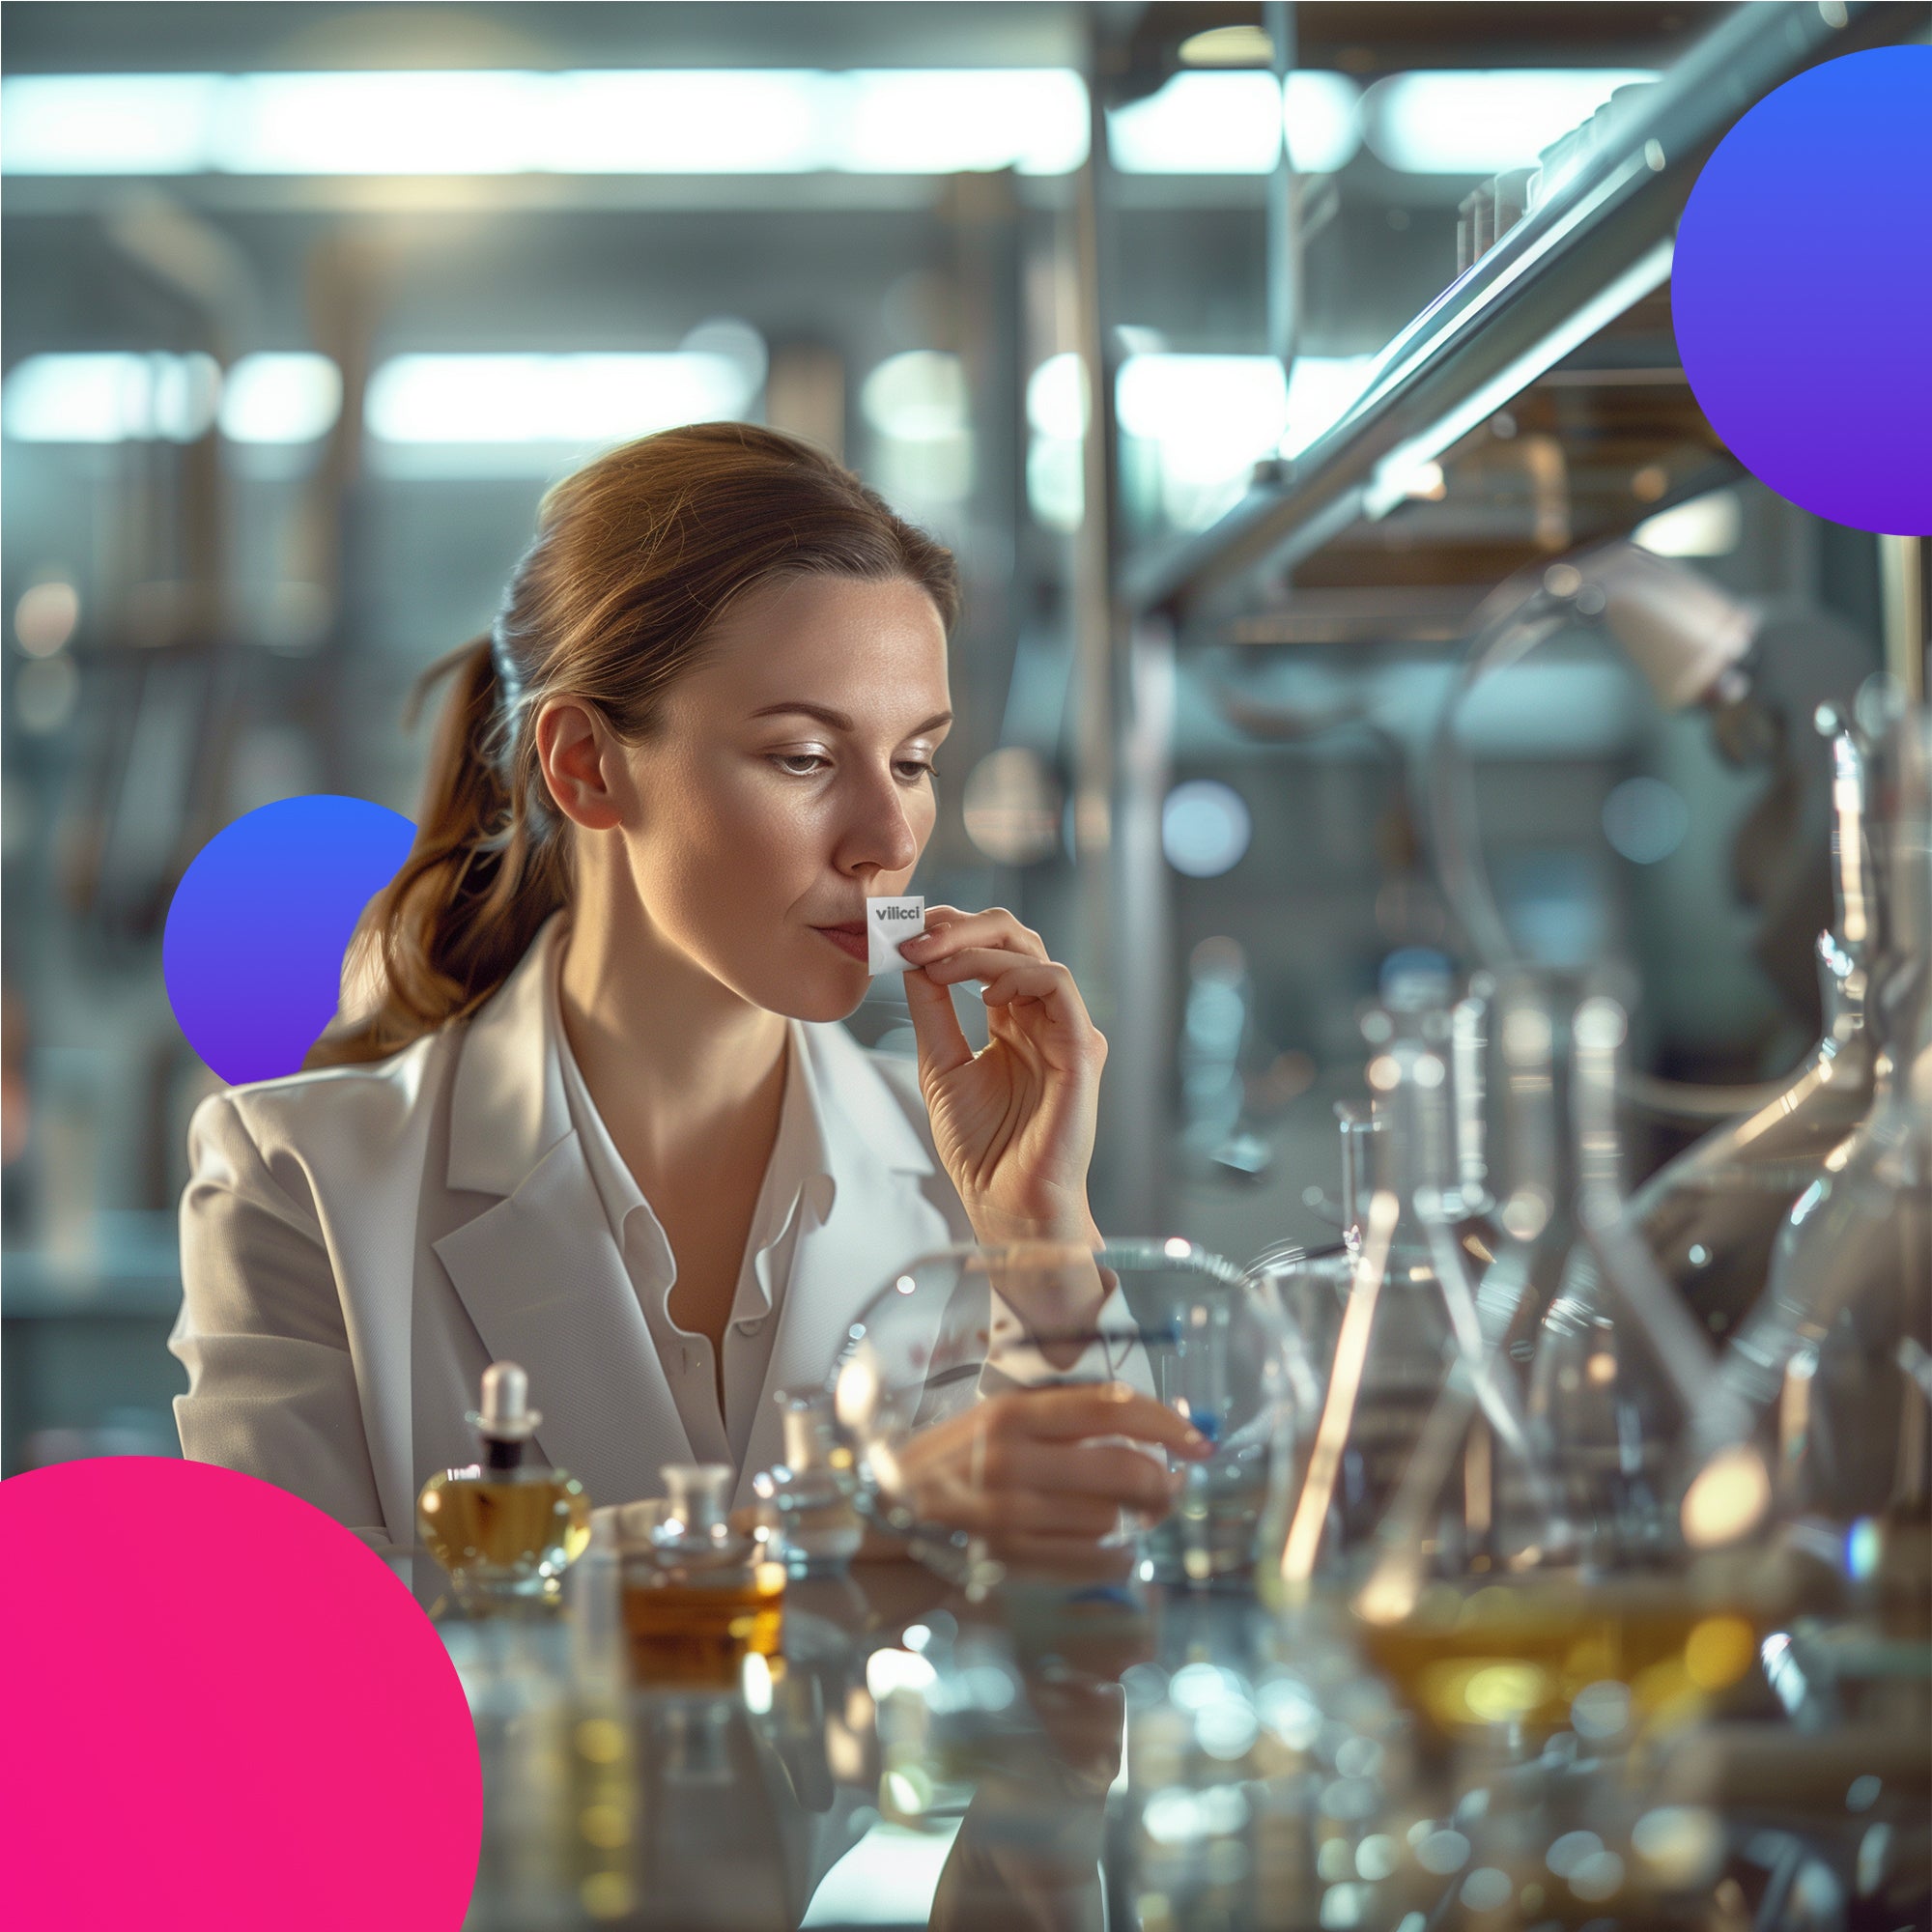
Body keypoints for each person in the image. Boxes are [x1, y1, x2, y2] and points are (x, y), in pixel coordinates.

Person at [172, 422, 1206, 1559]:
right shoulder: (298, 1181)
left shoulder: (967, 1163)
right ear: (585, 765)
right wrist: (842, 1519)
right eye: (804, 757)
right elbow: (294, 1659)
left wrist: (1039, 1234)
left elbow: (1122, 1619)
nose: (887, 837)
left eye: (913, 761)